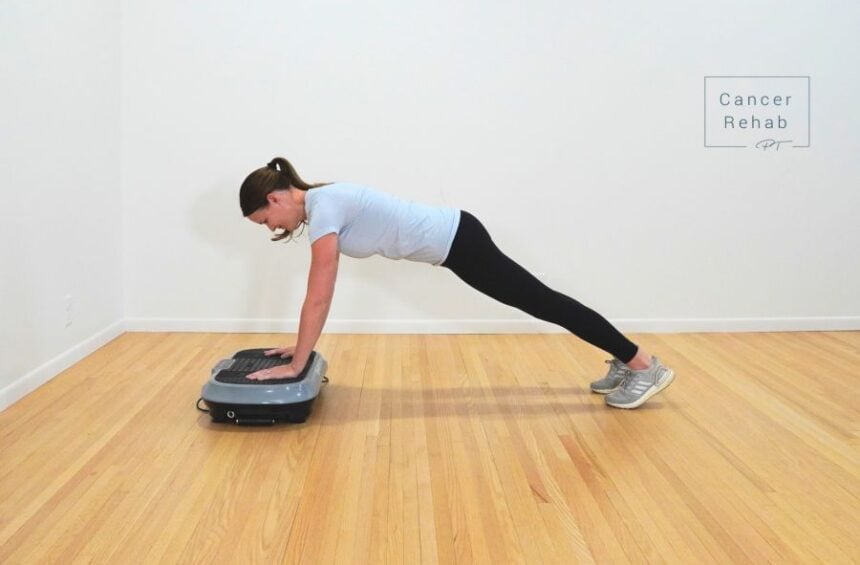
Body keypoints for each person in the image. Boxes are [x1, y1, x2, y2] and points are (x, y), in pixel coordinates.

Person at [239, 157, 675, 409]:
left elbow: (319, 295)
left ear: (275, 198)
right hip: (456, 242)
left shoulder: (325, 206)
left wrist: (299, 362)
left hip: (460, 241)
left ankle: (642, 364)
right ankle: (625, 357)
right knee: (545, 302)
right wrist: (298, 349)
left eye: (265, 219)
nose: (270, 227)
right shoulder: (323, 205)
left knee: (546, 303)